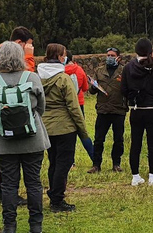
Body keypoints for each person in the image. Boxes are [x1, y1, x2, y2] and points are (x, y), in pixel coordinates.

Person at [0, 41, 50, 233]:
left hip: (5, 142)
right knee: (33, 183)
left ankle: (10, 225)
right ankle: (36, 225)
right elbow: (41, 108)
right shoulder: (32, 77)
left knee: (8, 185)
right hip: (32, 139)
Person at [37, 43, 89, 212]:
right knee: (64, 163)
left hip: (46, 126)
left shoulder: (37, 77)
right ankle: (57, 199)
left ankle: (53, 193)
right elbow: (74, 107)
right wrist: (82, 129)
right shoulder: (63, 78)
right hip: (65, 128)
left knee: (53, 161)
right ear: (60, 57)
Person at [121, 38, 153, 186]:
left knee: (136, 143)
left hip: (137, 110)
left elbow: (123, 90)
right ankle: (152, 176)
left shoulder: (128, 67)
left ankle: (135, 176)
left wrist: (132, 98)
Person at [87, 47, 128, 174]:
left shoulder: (123, 71)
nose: (109, 57)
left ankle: (116, 163)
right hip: (103, 109)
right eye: (108, 55)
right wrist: (93, 86)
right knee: (99, 139)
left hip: (118, 109)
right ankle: (96, 164)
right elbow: (91, 90)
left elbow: (128, 88)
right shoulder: (99, 71)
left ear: (118, 57)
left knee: (118, 139)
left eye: (112, 55)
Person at [63, 52, 94, 162]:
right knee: (82, 132)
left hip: (65, 105)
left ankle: (70, 162)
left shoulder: (60, 72)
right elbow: (85, 87)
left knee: (67, 134)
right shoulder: (79, 70)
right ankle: (94, 158)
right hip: (79, 103)